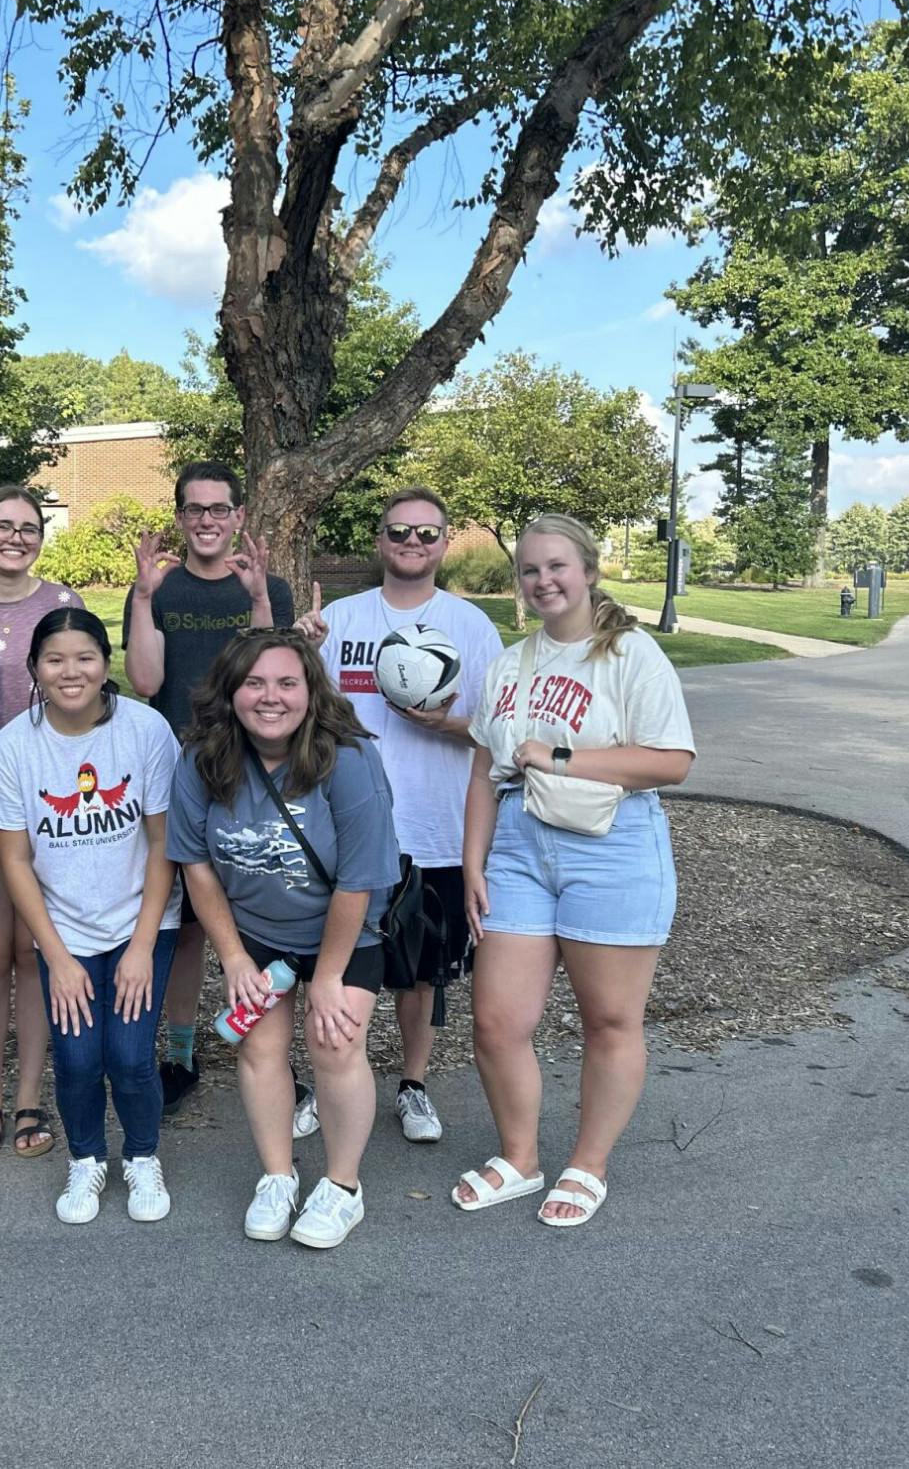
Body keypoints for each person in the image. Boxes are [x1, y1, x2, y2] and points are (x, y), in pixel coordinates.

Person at [454, 514, 696, 1227]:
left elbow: (671, 762)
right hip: (519, 845)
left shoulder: (630, 655)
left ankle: (588, 1164)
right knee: (498, 1020)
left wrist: (562, 759)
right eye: (530, 570)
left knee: (610, 1018)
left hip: (612, 842)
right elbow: (479, 768)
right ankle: (520, 1158)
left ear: (588, 571)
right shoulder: (509, 662)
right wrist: (473, 862)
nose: (543, 580)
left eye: (557, 566)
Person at [168, 630, 400, 1250]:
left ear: (310, 691)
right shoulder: (201, 758)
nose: (270, 697)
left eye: (286, 683)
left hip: (343, 932)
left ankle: (343, 1186)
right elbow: (196, 864)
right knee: (259, 1049)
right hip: (256, 931)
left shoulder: (347, 758)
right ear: (231, 691)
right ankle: (278, 1174)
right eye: (255, 683)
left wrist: (327, 978)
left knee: (335, 1045)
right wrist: (235, 956)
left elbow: (359, 878)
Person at [299, 487, 504, 1144]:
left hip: (434, 828)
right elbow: (300, 716)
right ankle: (325, 1078)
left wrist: (448, 723)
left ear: (445, 542)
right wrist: (303, 652)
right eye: (399, 532)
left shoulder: (472, 628)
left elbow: (501, 733)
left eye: (426, 533)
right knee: (326, 964)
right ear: (379, 539)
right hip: (349, 829)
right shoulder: (342, 620)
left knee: (420, 972)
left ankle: (413, 1085)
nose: (412, 543)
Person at [0, 609, 184, 1224]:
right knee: (74, 1058)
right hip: (62, 931)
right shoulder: (14, 745)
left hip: (141, 923)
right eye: (55, 660)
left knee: (129, 1056)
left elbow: (162, 845)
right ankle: (87, 1159)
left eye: (85, 657)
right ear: (34, 668)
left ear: (106, 662)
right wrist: (57, 956)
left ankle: (142, 1156)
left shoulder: (145, 731)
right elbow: (13, 859)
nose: (71, 672)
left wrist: (143, 945)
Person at [123, 461, 295, 1115]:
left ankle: (271, 1051)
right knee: (190, 923)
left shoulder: (267, 588)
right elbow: (143, 681)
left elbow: (270, 680)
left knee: (261, 916)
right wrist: (141, 599)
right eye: (194, 510)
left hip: (254, 769)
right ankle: (183, 1052)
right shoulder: (158, 590)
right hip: (182, 772)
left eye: (219, 509)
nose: (206, 521)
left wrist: (257, 603)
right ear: (179, 517)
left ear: (239, 516)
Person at [0, 485, 84, 1160]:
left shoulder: (62, 606)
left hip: (47, 800)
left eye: (29, 527)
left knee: (35, 952)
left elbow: (82, 691)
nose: (16, 537)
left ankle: (32, 1095)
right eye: (2, 526)